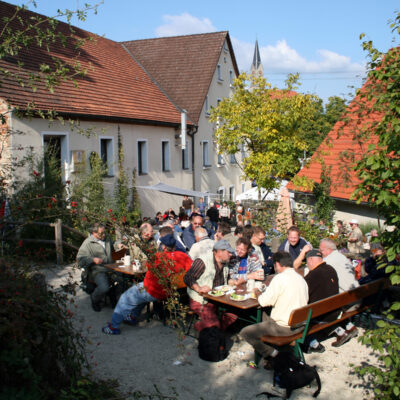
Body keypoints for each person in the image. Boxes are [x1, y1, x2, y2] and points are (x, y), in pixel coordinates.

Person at [102, 234, 193, 334]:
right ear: (174, 246)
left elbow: (147, 266)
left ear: (163, 247)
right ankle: (132, 316)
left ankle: (113, 327)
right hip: (170, 292)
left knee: (125, 297)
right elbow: (191, 270)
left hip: (153, 291)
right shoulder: (183, 256)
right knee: (137, 290)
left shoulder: (158, 256)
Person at [240, 251, 309, 367]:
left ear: (277, 264)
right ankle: (274, 351)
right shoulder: (301, 278)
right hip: (301, 324)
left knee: (246, 332)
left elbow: (263, 301)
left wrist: (257, 292)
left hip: (285, 328)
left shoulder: (279, 279)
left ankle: (275, 355)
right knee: (265, 315)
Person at [184, 240, 237, 331]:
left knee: (234, 314)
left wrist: (231, 281)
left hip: (218, 299)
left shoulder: (224, 262)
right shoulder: (202, 261)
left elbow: (226, 279)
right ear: (219, 252)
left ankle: (216, 331)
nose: (231, 254)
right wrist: (199, 288)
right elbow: (188, 277)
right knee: (213, 324)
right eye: (228, 252)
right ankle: (200, 326)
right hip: (201, 300)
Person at [77, 222, 121, 312]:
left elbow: (113, 245)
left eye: (105, 232)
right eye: (102, 233)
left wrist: (118, 245)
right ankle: (94, 298)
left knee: (126, 279)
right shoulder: (88, 243)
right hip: (97, 270)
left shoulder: (107, 239)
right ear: (94, 233)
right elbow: (80, 260)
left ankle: (112, 292)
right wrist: (92, 259)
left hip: (111, 267)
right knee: (104, 287)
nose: (104, 235)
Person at [303, 249, 340, 352]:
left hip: (321, 315)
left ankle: (311, 342)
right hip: (334, 311)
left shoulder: (314, 274)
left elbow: (302, 290)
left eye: (307, 262)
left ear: (310, 259)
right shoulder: (330, 269)